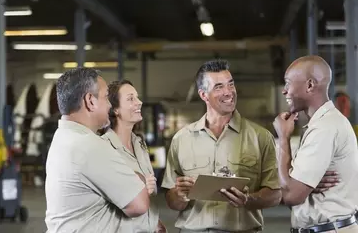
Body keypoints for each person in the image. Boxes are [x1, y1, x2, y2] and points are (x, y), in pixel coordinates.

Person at [161, 59, 282, 233]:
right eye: (219, 87)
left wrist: (248, 199)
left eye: (230, 84)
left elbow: (275, 195)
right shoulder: (181, 139)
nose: (229, 92)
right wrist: (181, 194)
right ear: (203, 95)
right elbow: (172, 202)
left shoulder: (260, 137)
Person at [45, 68, 150, 233]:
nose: (109, 104)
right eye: (106, 97)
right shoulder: (89, 145)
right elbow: (139, 204)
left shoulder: (63, 137)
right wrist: (140, 178)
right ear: (90, 101)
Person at [273, 55, 358, 232]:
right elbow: (291, 186)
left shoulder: (325, 127)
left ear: (310, 85)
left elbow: (291, 195)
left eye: (288, 83)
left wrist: (283, 138)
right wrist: (303, 183)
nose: (284, 90)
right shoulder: (321, 125)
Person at [101, 79, 166, 233]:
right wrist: (140, 187)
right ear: (115, 109)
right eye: (131, 99)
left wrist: (155, 223)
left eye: (137, 97)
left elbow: (150, 193)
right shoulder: (104, 148)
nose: (139, 102)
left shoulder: (140, 144)